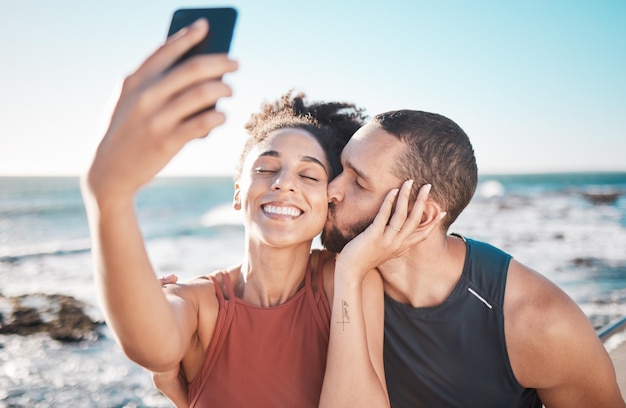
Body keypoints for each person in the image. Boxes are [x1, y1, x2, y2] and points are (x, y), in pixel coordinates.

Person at [82, 18, 435, 408]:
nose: (283, 183)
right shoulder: (200, 302)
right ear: (239, 193)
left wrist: (351, 270)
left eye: (309, 174)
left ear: (329, 198)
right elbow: (149, 347)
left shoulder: (347, 278)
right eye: (265, 168)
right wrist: (109, 197)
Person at [321, 109, 626, 407]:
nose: (331, 190)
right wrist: (350, 270)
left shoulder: (540, 323)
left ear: (421, 216)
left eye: (359, 182)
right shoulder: (339, 274)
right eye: (340, 169)